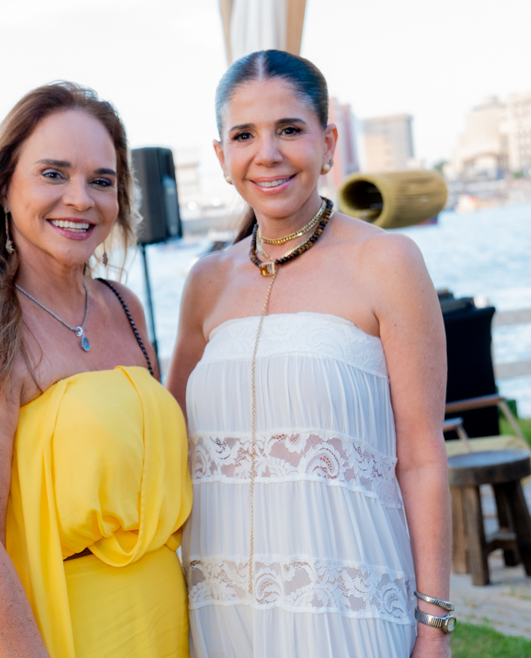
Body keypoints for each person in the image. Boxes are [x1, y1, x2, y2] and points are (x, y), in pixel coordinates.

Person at [166, 50, 452, 657]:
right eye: (244, 135)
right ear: (221, 156)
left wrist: (433, 627)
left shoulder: (387, 262)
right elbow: (170, 447)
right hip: (223, 611)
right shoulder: (206, 282)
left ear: (328, 144)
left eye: (289, 130)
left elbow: (422, 458)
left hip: (347, 608)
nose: (267, 153)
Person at [0, 82, 192, 658]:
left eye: (102, 180)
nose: (80, 199)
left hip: (167, 619)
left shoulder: (123, 305)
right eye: (53, 174)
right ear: (4, 186)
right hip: (61, 630)